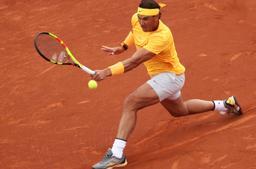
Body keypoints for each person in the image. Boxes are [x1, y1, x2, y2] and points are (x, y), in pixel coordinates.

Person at [91, 0, 242, 168]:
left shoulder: (162, 36)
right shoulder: (137, 19)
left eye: (146, 19)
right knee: (180, 111)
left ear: (158, 17)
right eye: (140, 18)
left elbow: (134, 62)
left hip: (170, 78)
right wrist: (123, 46)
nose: (142, 22)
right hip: (163, 77)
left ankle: (117, 154)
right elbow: (135, 32)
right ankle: (225, 105)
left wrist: (106, 71)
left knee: (131, 103)